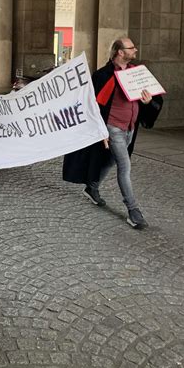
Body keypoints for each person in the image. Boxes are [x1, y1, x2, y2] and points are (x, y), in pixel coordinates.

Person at [63, 37, 163, 229]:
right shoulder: (103, 76)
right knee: (124, 167)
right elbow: (92, 105)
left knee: (110, 161)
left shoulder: (137, 73)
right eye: (131, 48)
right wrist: (100, 131)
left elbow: (153, 98)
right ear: (120, 52)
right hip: (113, 127)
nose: (135, 50)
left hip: (131, 128)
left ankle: (91, 188)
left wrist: (149, 102)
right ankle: (133, 211)